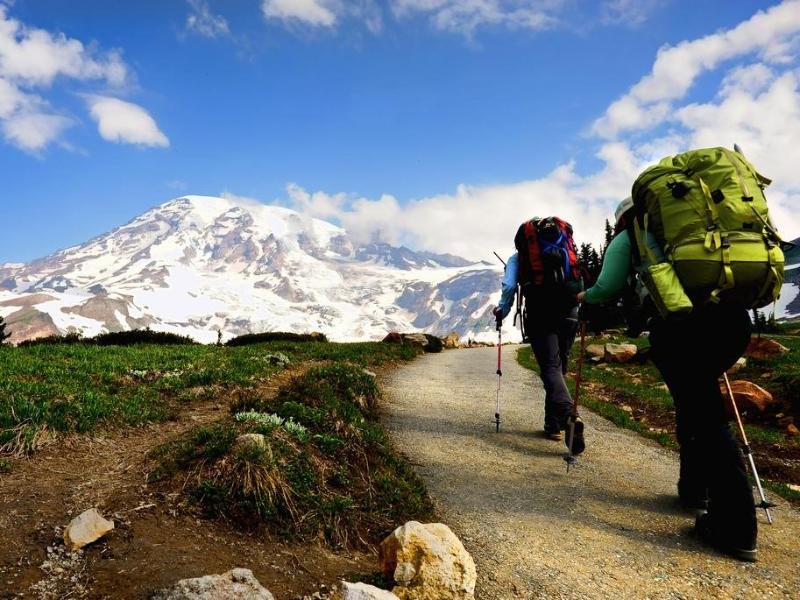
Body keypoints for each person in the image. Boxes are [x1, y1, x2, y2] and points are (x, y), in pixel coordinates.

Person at [577, 197, 758, 562]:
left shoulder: (632, 234)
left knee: (704, 417)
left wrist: (586, 295)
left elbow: (608, 285)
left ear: (624, 216)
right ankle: (695, 489)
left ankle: (736, 526)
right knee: (698, 404)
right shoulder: (704, 225)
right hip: (733, 320)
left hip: (681, 326)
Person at [493, 216, 585, 454]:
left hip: (540, 313)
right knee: (560, 366)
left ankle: (567, 415)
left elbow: (510, 287)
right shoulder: (566, 249)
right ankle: (552, 425)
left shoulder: (519, 258)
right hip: (569, 311)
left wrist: (501, 311)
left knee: (550, 368)